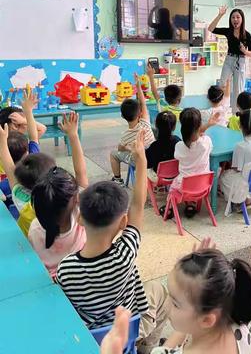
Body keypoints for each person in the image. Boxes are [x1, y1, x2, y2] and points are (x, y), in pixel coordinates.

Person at [57, 131, 169, 354]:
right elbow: (138, 205)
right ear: (122, 223)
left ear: (80, 219)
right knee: (161, 292)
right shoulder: (125, 253)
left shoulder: (66, 269)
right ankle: (146, 346)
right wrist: (142, 160)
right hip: (128, 329)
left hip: (95, 341)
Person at [100, 238, 251, 354]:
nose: (166, 303)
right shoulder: (239, 322)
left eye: (175, 303)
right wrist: (199, 277)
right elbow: (193, 323)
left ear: (206, 319)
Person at [28, 112, 88, 277]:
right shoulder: (80, 217)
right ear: (76, 199)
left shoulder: (34, 229)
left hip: (52, 285)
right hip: (79, 280)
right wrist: (73, 135)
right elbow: (81, 172)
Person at [168, 108, 219, 219]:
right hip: (204, 186)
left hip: (184, 187)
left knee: (172, 187)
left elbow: (192, 138)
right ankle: (191, 204)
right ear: (200, 124)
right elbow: (199, 136)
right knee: (192, 178)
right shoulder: (206, 142)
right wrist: (208, 125)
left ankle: (171, 207)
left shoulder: (179, 146)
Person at [110, 76, 155, 185]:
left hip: (138, 161)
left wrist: (125, 147)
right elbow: (143, 103)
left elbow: (120, 148)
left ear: (122, 116)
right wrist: (138, 86)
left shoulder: (125, 135)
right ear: (140, 113)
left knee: (113, 154)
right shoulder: (145, 123)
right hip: (153, 158)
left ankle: (117, 179)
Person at [209, 6, 251, 109]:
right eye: (233, 17)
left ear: (242, 19)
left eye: (238, 17)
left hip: (241, 61)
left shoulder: (247, 35)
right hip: (229, 60)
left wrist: (244, 51)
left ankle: (236, 114)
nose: (235, 19)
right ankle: (219, 110)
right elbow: (210, 29)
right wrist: (220, 15)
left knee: (238, 90)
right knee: (222, 85)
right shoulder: (228, 31)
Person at [0, 90, 42, 198]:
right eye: (17, 125)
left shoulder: (8, 184)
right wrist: (28, 112)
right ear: (26, 152)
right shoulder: (32, 159)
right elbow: (34, 136)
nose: (22, 127)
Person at [145, 110, 180, 177]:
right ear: (174, 127)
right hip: (176, 175)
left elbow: (148, 164)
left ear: (156, 125)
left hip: (159, 177)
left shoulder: (154, 146)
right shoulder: (177, 141)